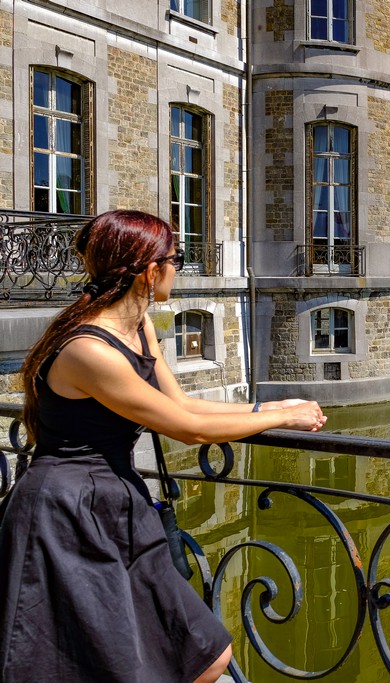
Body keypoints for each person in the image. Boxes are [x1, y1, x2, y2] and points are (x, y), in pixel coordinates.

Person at [0, 210, 327, 682]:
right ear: (150, 272)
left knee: (203, 653)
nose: (179, 266)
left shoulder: (138, 329)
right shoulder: (88, 351)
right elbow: (185, 428)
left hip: (113, 502)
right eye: (176, 258)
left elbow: (183, 404)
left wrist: (270, 409)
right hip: (66, 514)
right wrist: (285, 416)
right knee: (96, 664)